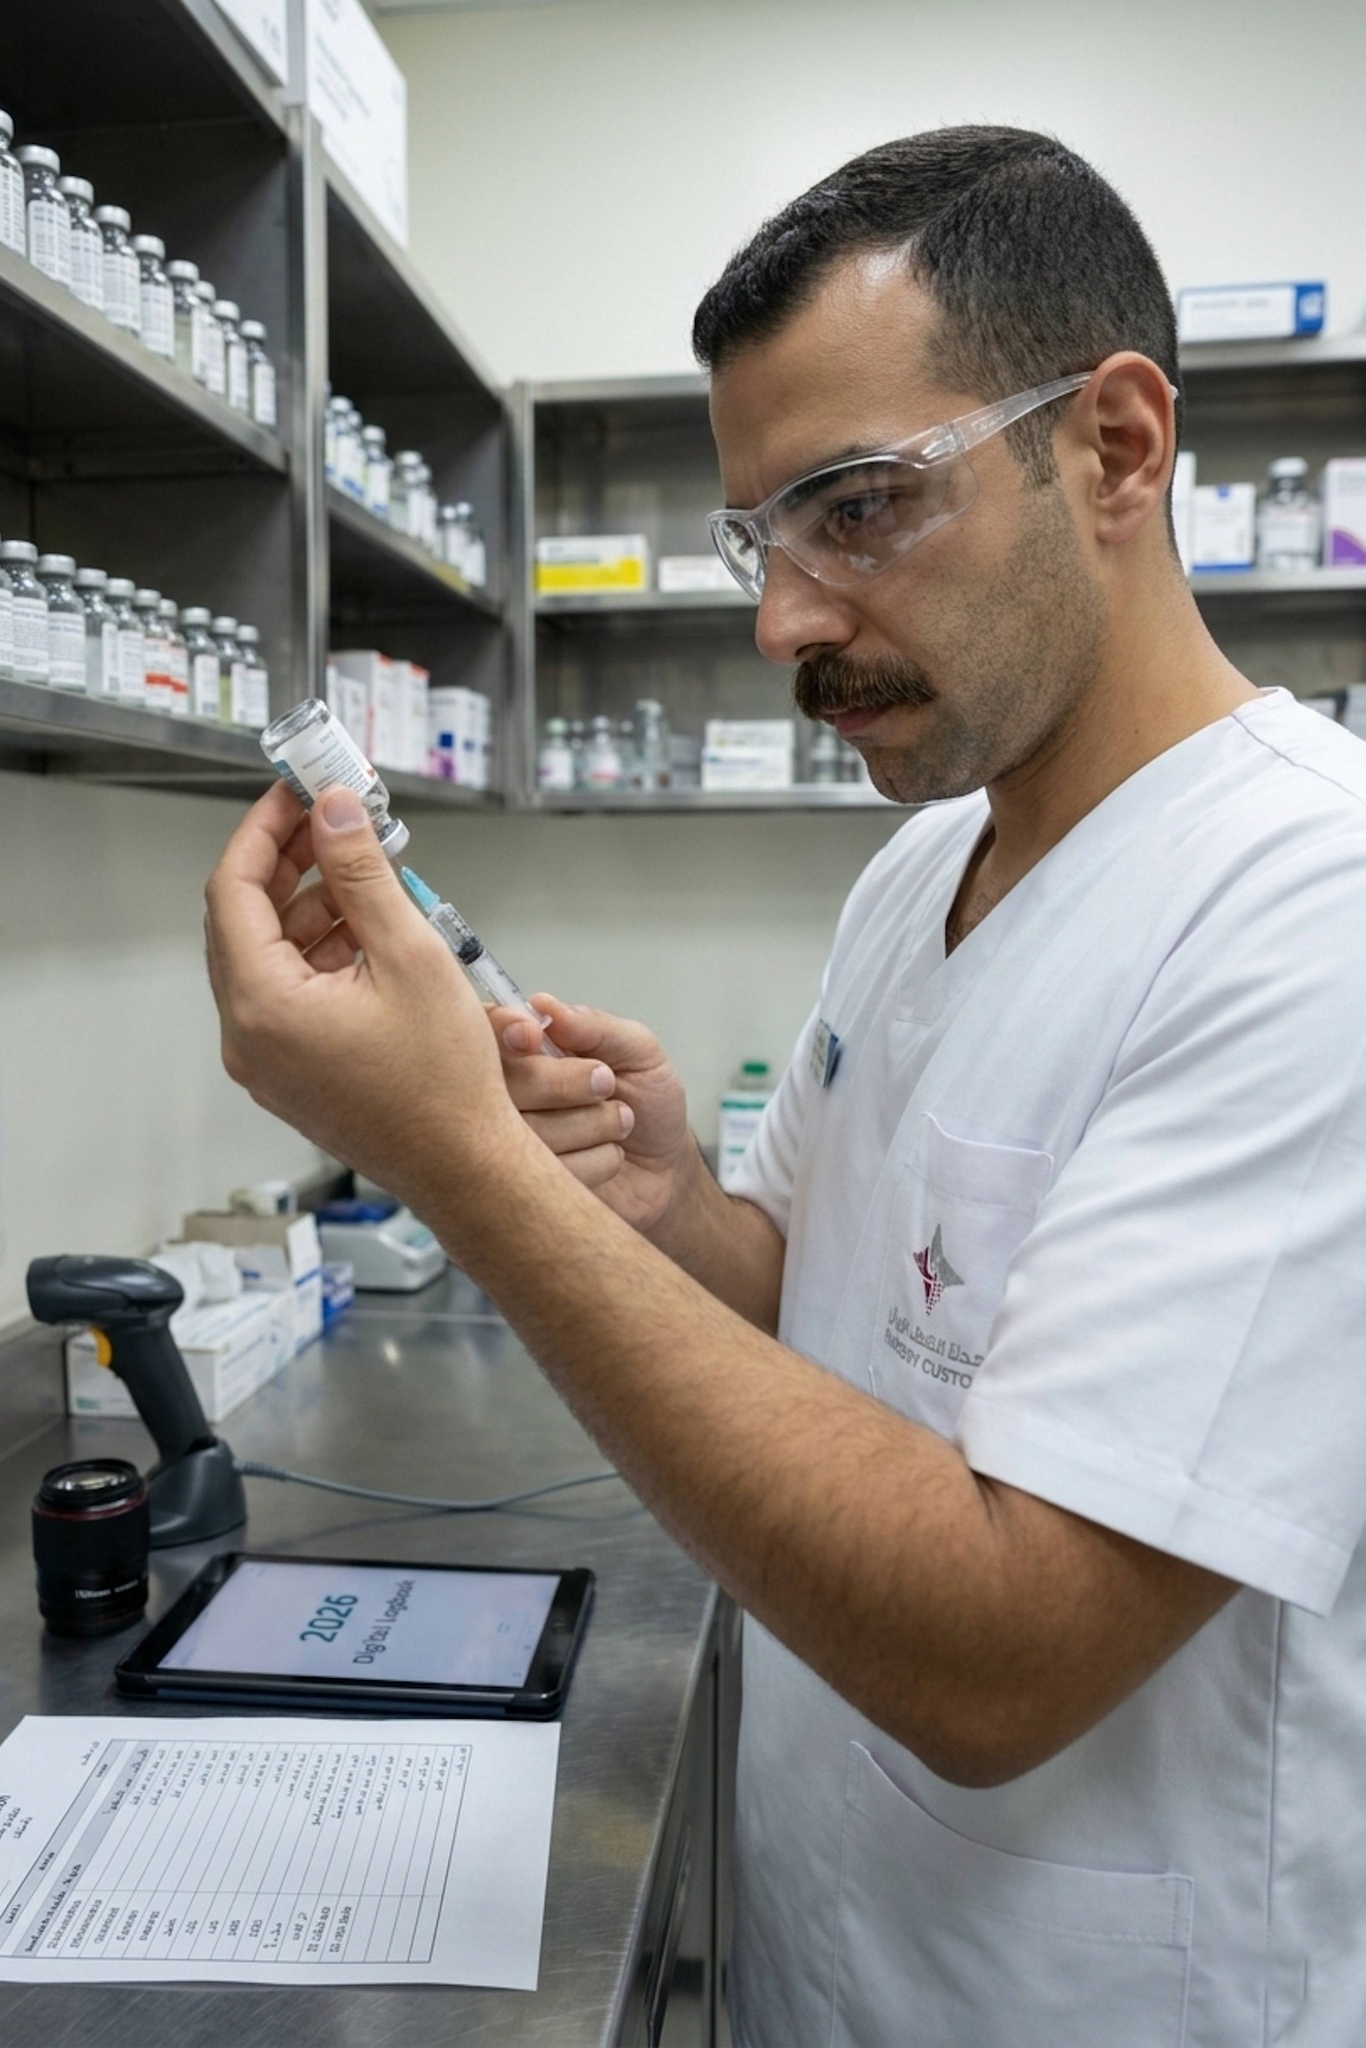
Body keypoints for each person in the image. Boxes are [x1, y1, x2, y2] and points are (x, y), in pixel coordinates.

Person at [205, 127, 1366, 2046]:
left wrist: (456, 1162)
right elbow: (822, 1314)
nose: (782, 624)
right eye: (763, 538)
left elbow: (1004, 1656)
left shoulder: (1305, 917)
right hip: (832, 1949)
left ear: (1117, 450)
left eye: (858, 507)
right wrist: (664, 1211)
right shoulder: (922, 865)